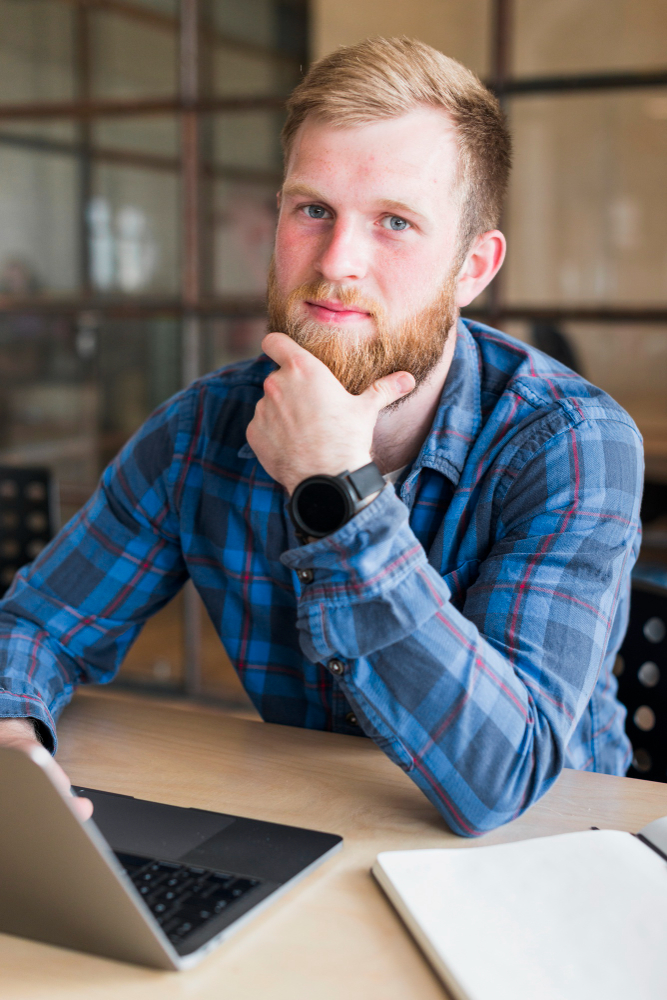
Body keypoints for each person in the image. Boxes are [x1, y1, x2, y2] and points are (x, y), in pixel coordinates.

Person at [0, 37, 643, 836]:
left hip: (547, 857)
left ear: (473, 267)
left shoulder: (570, 443)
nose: (337, 260)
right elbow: (35, 627)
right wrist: (12, 736)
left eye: (395, 222)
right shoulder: (202, 429)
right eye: (312, 209)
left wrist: (339, 490)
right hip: (318, 830)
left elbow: (501, 778)